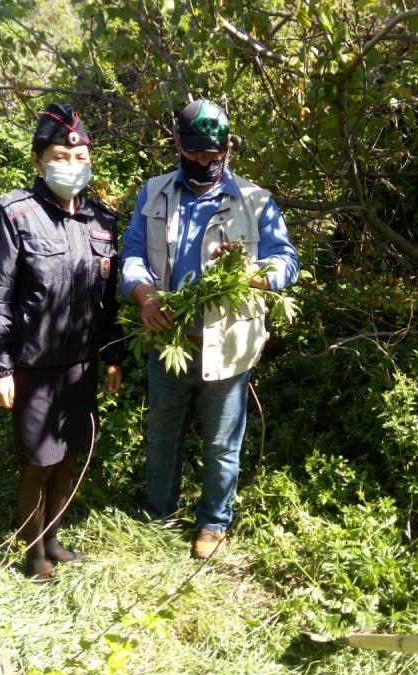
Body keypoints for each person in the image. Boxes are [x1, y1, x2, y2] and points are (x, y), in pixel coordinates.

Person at [119, 98, 299, 559]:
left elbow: (287, 261)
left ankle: (213, 524)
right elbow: (133, 254)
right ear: (178, 144)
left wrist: (252, 272)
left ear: (228, 148)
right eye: (195, 152)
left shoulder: (255, 201)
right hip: (169, 340)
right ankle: (159, 514)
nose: (205, 161)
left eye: (214, 153)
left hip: (230, 344)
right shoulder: (154, 193)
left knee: (221, 443)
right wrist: (145, 295)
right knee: (162, 433)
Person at [0, 103, 125, 581]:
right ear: (38, 160)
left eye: (80, 158)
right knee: (38, 462)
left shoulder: (101, 221)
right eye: (60, 157)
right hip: (33, 364)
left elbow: (108, 299)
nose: (72, 166)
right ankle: (33, 554)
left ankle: (53, 540)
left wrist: (113, 356)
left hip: (81, 363)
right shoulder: (15, 214)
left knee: (69, 455)